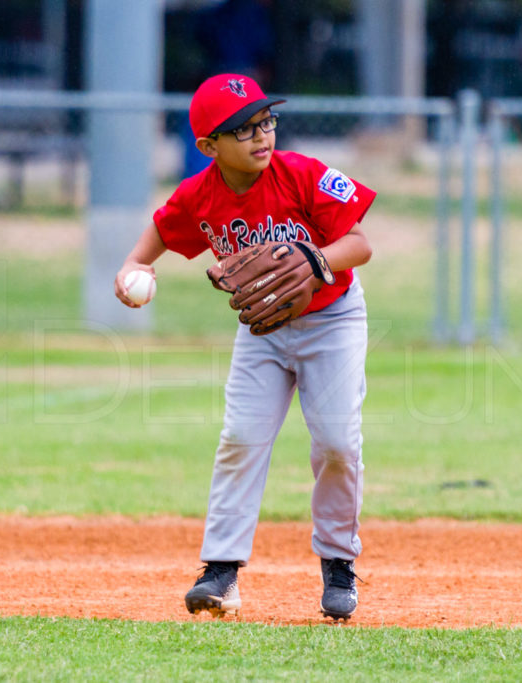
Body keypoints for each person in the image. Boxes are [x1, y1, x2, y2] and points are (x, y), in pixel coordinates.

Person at [114, 74, 376, 621]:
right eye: (242, 129)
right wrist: (134, 267)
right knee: (240, 437)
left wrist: (317, 260)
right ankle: (221, 573)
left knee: (335, 443)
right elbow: (162, 233)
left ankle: (338, 564)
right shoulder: (199, 193)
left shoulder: (302, 173)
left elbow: (360, 244)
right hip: (263, 331)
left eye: (265, 121)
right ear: (209, 146)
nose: (261, 136)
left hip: (333, 321)